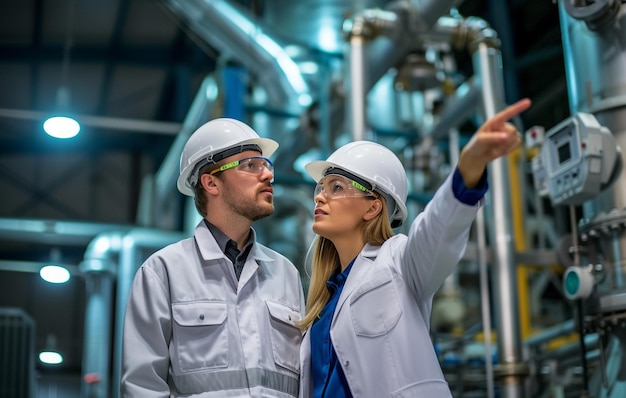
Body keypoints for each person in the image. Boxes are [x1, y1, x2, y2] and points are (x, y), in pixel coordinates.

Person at [297, 98, 532, 397]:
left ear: (372, 208)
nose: (319, 197)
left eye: (336, 188)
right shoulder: (321, 303)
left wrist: (468, 168)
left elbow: (438, 229)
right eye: (321, 188)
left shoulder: (399, 263)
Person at [121, 118, 305, 397]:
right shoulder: (164, 271)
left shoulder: (286, 273)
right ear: (211, 182)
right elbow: (142, 387)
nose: (267, 175)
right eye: (251, 165)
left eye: (266, 165)